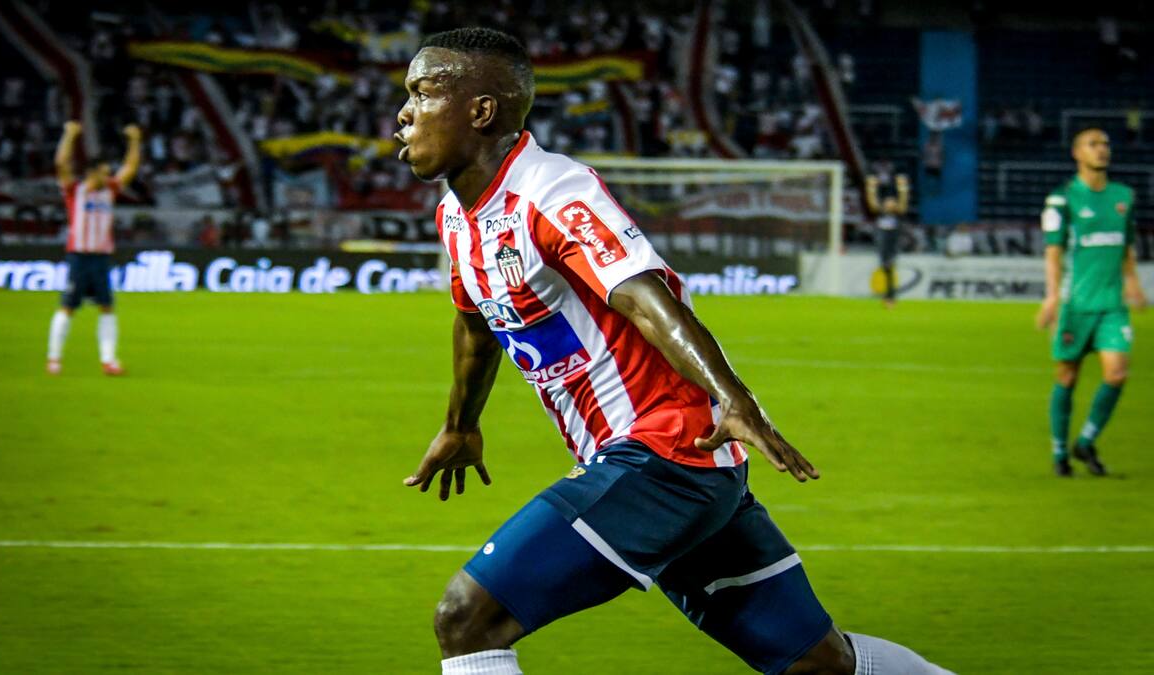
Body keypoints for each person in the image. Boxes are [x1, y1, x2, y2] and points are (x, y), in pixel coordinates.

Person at [396, 28, 952, 675]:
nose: (404, 113)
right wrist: (460, 425)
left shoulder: (552, 191)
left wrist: (733, 396)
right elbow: (475, 322)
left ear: (481, 110)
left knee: (466, 620)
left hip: (665, 454)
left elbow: (642, 296)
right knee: (819, 664)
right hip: (679, 467)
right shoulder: (457, 216)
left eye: (422, 93)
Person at [1036, 128, 1146, 477]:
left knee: (1117, 373)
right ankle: (1059, 452)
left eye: (1106, 144)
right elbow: (1053, 252)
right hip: (1075, 304)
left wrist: (1133, 282)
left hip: (1112, 305)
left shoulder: (1123, 196)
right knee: (1067, 376)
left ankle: (1085, 441)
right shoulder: (1062, 199)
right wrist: (1052, 296)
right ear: (1076, 153)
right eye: (1093, 144)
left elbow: (1126, 245)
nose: (1102, 150)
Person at [46, 120, 142, 376]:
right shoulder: (74, 190)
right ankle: (54, 358)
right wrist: (69, 135)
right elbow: (61, 164)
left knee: (107, 307)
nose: (109, 176)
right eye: (104, 172)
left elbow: (130, 168)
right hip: (79, 257)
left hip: (101, 259)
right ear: (92, 173)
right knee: (68, 307)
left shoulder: (109, 190)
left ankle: (108, 360)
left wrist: (135, 141)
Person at [865, 172, 910, 307]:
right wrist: (871, 187)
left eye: (892, 201)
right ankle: (889, 296)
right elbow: (872, 202)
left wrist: (903, 187)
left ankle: (890, 298)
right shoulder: (881, 214)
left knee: (889, 267)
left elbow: (903, 203)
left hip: (893, 245)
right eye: (888, 201)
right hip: (881, 245)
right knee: (886, 269)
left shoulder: (897, 214)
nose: (889, 203)